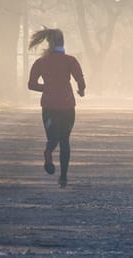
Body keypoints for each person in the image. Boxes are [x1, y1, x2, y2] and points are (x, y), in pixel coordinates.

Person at [28, 28, 86, 188]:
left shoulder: (41, 62)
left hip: (48, 106)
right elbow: (80, 81)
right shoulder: (70, 60)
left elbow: (31, 85)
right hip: (67, 105)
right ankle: (63, 177)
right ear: (63, 42)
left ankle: (48, 153)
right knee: (65, 140)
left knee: (52, 138)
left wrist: (46, 88)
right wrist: (81, 91)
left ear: (49, 42)